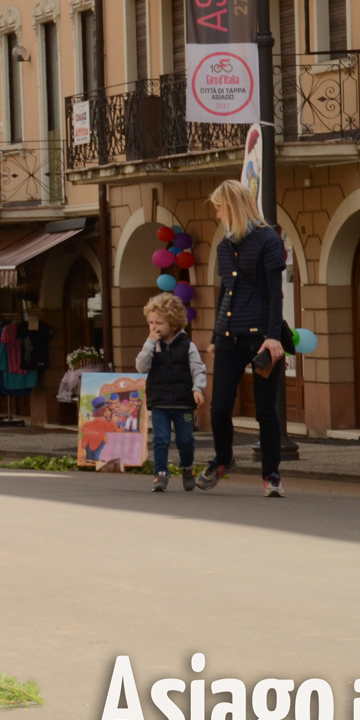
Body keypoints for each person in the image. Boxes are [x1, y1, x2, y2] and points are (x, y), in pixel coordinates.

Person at [202, 179, 289, 497]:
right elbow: (227, 289)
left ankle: (272, 475)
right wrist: (214, 336)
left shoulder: (268, 239)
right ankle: (223, 459)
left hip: (262, 340)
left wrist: (272, 336)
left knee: (265, 410)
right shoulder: (225, 245)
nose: (215, 214)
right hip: (228, 338)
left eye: (218, 208)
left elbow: (276, 292)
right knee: (219, 407)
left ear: (231, 207)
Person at [135, 293, 204, 493]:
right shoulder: (151, 345)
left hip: (183, 401)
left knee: (185, 440)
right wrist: (149, 343)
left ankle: (187, 467)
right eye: (151, 323)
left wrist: (197, 389)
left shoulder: (187, 345)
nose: (154, 328)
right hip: (159, 401)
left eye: (159, 323)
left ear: (173, 324)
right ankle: (161, 473)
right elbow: (141, 367)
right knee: (161, 439)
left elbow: (198, 369)